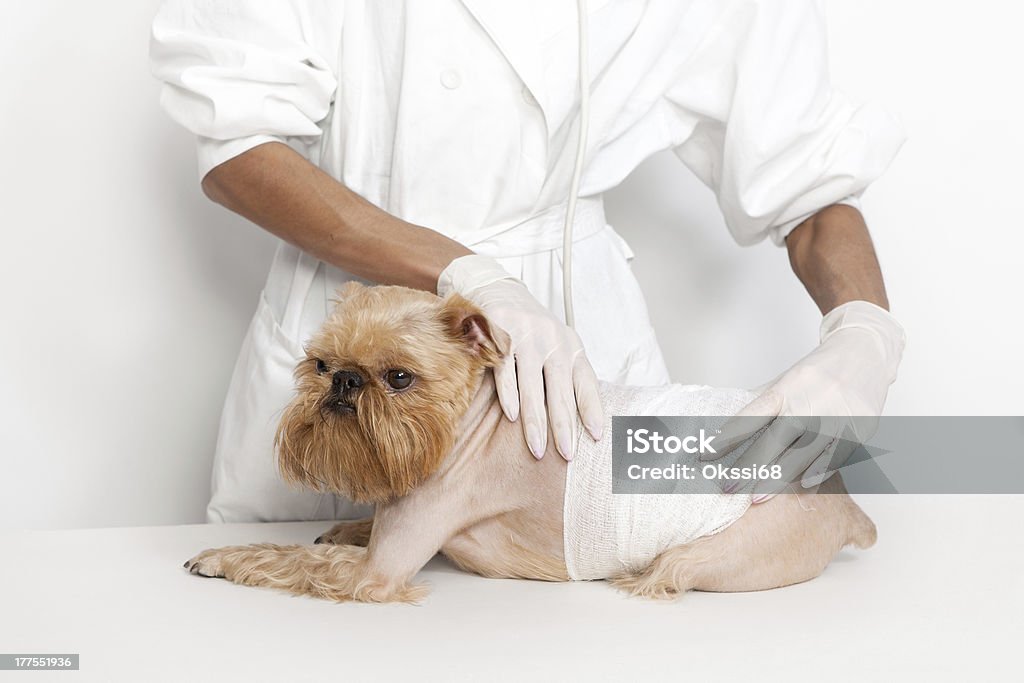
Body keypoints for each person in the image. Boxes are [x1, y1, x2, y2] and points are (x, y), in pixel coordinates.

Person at [150, 0, 906, 523]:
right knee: (295, 631)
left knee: (579, 637)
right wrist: (467, 273)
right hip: (356, 330)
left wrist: (864, 332)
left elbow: (807, 184)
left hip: (567, 359)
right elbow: (239, 153)